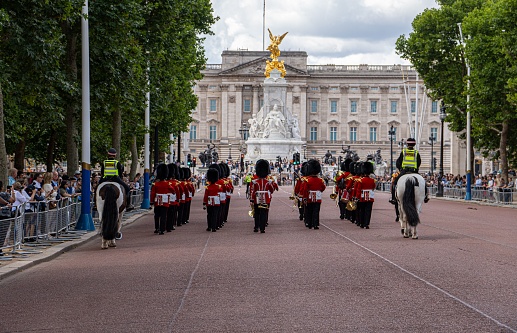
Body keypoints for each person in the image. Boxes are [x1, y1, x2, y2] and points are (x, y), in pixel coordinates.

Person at [389, 138, 429, 204]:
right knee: (423, 183)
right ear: (414, 144)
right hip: (414, 171)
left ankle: (393, 198)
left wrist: (400, 169)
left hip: (404, 171)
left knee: (394, 183)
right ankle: (425, 197)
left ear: (407, 144)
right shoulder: (416, 152)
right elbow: (419, 162)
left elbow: (398, 162)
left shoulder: (404, 152)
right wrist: (416, 168)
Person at [250, 159, 276, 233]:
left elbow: (253, 191)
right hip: (266, 198)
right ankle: (262, 228)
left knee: (257, 212)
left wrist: (252, 199)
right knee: (263, 213)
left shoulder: (255, 182)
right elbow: (271, 190)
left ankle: (256, 227)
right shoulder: (268, 182)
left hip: (257, 198)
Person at [301, 159, 326, 229]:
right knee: (316, 211)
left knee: (309, 210)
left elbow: (305, 190)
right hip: (317, 197)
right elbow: (323, 188)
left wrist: (305, 198)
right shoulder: (320, 180)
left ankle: (309, 223)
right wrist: (319, 191)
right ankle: (315, 224)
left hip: (309, 197)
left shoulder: (307, 180)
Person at [150, 163, 170, 235]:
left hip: (157, 201)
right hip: (164, 201)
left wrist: (151, 201)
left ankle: (157, 228)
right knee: (163, 216)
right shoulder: (167, 184)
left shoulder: (155, 184)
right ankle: (162, 229)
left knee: (157, 215)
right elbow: (173, 191)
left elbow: (152, 194)